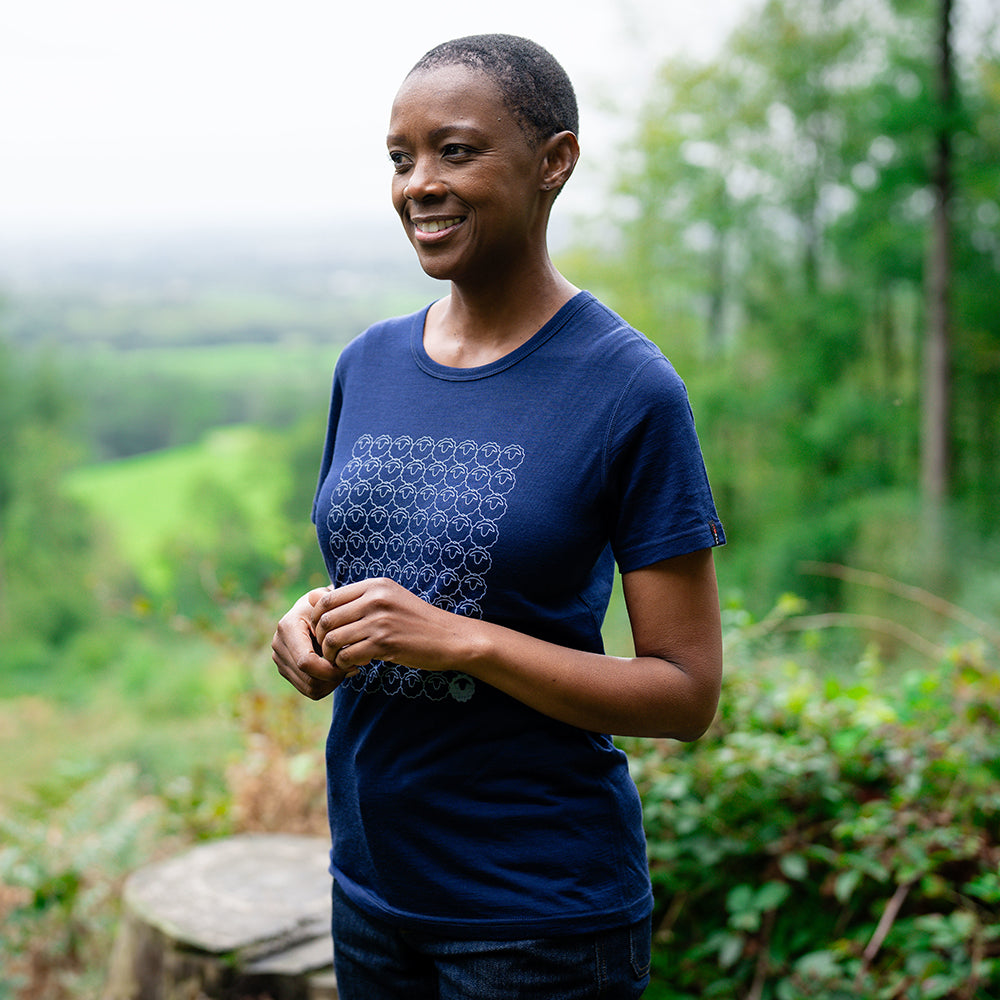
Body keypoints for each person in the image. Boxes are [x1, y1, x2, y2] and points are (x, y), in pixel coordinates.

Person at [271, 33, 725, 1000]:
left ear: (555, 160)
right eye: (401, 158)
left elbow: (686, 692)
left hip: (539, 920)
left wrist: (465, 644)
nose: (418, 185)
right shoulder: (370, 362)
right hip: (372, 894)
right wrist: (315, 618)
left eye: (457, 151)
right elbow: (392, 566)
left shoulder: (627, 387)